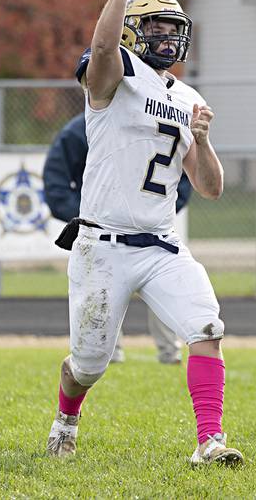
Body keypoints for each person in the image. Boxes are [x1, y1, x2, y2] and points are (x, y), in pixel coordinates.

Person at [45, 0, 243, 466]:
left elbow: (211, 187)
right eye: (154, 27)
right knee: (88, 363)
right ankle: (67, 415)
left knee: (207, 327)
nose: (166, 37)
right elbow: (105, 50)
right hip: (101, 245)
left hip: (159, 245)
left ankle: (210, 441)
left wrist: (201, 142)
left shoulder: (189, 98)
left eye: (172, 29)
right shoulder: (115, 75)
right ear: (135, 31)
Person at [43, 111, 192, 365]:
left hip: (151, 232)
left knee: (164, 287)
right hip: (103, 234)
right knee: (103, 293)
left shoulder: (150, 122)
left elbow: (183, 177)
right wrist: (88, 216)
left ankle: (170, 352)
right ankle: (108, 354)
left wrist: (156, 211)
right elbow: (55, 183)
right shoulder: (80, 130)